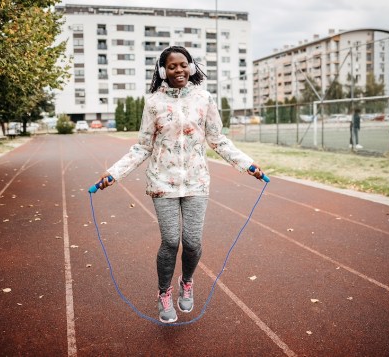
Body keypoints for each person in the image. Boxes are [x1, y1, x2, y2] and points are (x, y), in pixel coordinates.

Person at [92, 46, 265, 323]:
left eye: (183, 65)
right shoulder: (153, 103)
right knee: (171, 241)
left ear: (191, 66)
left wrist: (248, 164)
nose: (179, 70)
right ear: (163, 71)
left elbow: (217, 140)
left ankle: (187, 282)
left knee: (193, 243)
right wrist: (114, 173)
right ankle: (164, 292)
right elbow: (142, 147)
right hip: (162, 182)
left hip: (196, 182)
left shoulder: (204, 99)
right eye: (172, 66)